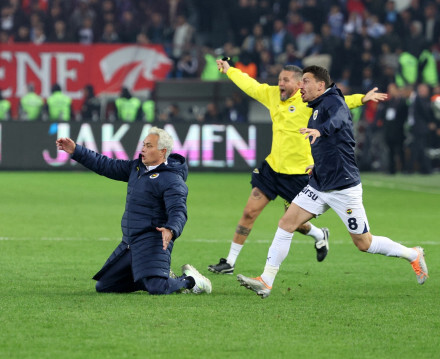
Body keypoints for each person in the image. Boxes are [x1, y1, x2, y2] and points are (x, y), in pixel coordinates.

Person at [237, 65, 428, 298]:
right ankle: (266, 281)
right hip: (319, 183)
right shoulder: (316, 106)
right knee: (286, 224)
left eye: (305, 82)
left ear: (320, 85)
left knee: (364, 243)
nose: (301, 86)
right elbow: (334, 145)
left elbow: (338, 119)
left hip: (343, 187)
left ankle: (413, 255)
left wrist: (322, 131)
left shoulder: (332, 103)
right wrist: (317, 165)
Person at [208, 59, 388, 275]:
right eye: (279, 79)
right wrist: (229, 70)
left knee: (297, 225)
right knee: (249, 212)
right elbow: (250, 84)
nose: (280, 83)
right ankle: (230, 261)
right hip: (272, 169)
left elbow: (340, 104)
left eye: (285, 80)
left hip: (298, 174)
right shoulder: (272, 95)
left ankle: (319, 235)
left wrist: (362, 99)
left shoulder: (309, 101)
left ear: (297, 84)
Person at [55, 127, 212, 295]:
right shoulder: (136, 168)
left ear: (162, 151)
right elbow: (105, 164)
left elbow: (179, 209)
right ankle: (159, 277)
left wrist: (172, 228)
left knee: (157, 288)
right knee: (104, 286)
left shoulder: (172, 180)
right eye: (143, 144)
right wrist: (76, 150)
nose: (143, 149)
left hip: (153, 241)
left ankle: (192, 281)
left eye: (149, 146)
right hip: (130, 243)